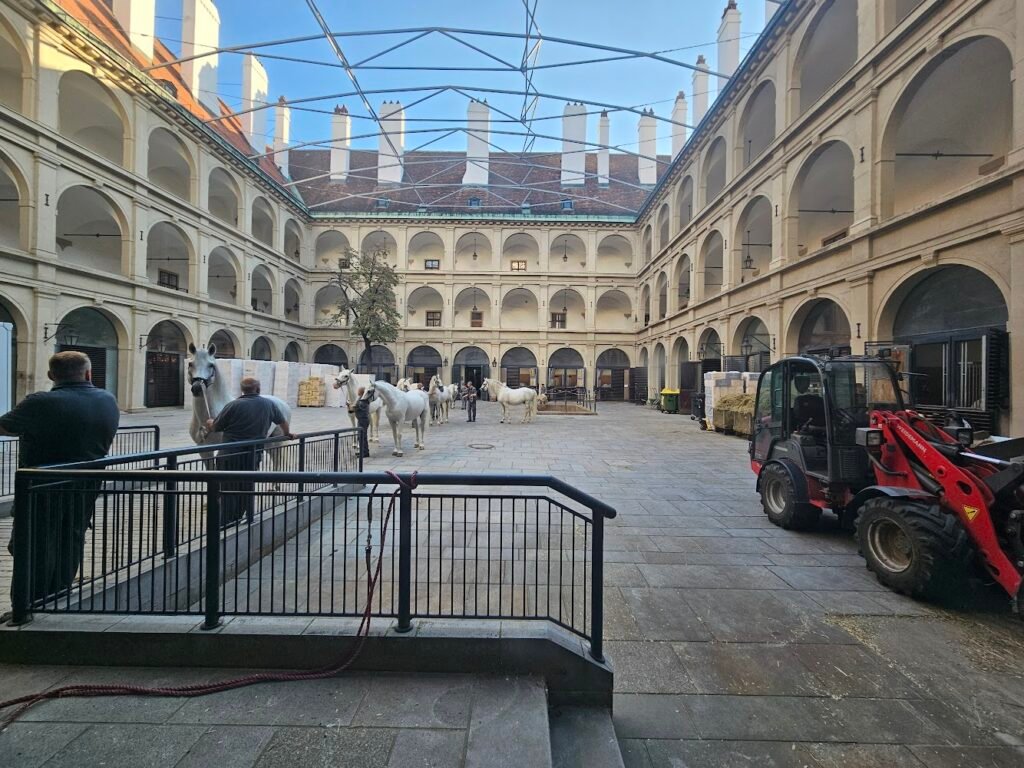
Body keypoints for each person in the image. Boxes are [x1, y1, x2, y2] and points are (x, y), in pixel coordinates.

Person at [0, 351, 120, 615]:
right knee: (72, 538)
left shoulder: (41, 403)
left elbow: (5, 426)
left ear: (51, 375)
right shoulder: (108, 400)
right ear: (89, 373)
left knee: (33, 542)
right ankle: (59, 596)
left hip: (41, 487)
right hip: (86, 485)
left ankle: (26, 606)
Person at [205, 377, 294, 525]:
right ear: (258, 389)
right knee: (246, 486)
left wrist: (209, 423)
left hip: (229, 455)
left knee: (228, 488)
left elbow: (215, 427)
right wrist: (287, 433)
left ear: (242, 390)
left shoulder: (232, 405)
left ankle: (227, 521)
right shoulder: (269, 404)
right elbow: (282, 421)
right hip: (253, 454)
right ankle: (243, 516)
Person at [353, 386, 371, 459]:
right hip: (362, 419)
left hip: (363, 420)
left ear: (360, 392)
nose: (357, 392)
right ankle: (363, 451)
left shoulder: (362, 401)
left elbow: (354, 407)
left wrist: (350, 406)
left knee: (362, 437)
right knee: (361, 436)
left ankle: (364, 453)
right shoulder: (362, 399)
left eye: (358, 391)